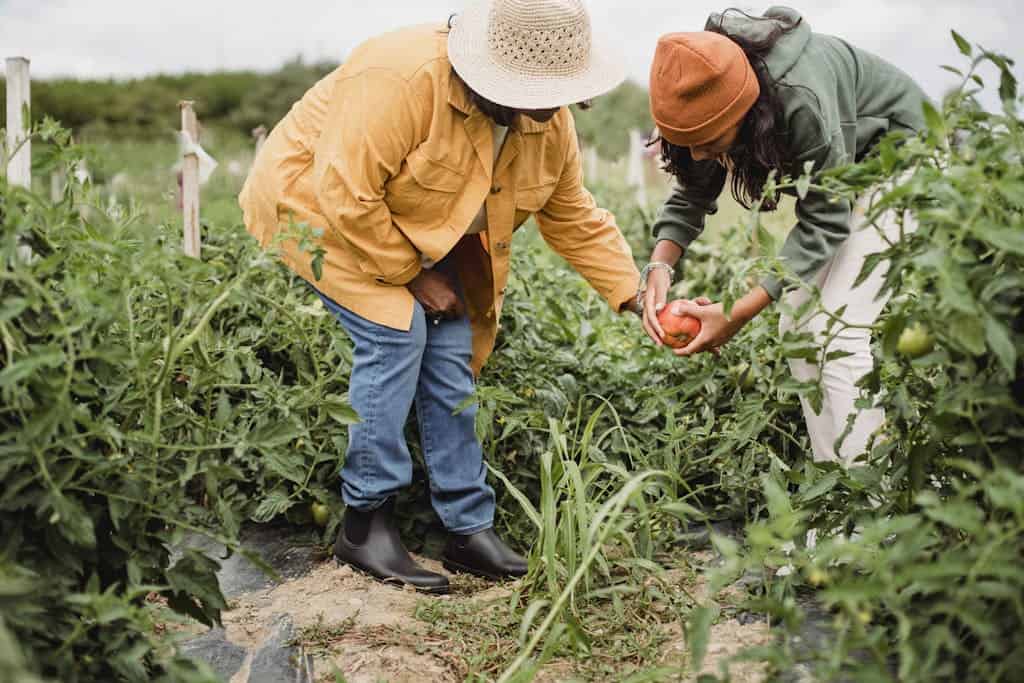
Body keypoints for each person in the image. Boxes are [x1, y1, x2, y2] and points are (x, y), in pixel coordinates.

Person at [240, 0, 642, 594]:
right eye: (540, 93)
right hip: (316, 209)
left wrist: (635, 296)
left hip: (415, 223)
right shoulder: (401, 79)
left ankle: (467, 527)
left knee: (451, 347)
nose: (552, 109)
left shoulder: (546, 120)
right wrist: (412, 274)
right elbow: (345, 194)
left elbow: (572, 214)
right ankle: (365, 521)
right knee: (396, 330)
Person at [638, 7, 928, 466]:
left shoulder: (800, 99)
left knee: (837, 331)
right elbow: (692, 190)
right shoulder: (703, 88)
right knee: (796, 326)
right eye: (685, 141)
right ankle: (833, 495)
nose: (697, 153)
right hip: (853, 177)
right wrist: (660, 265)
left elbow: (826, 220)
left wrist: (733, 314)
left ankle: (872, 514)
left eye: (709, 140)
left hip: (906, 162)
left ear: (747, 114)